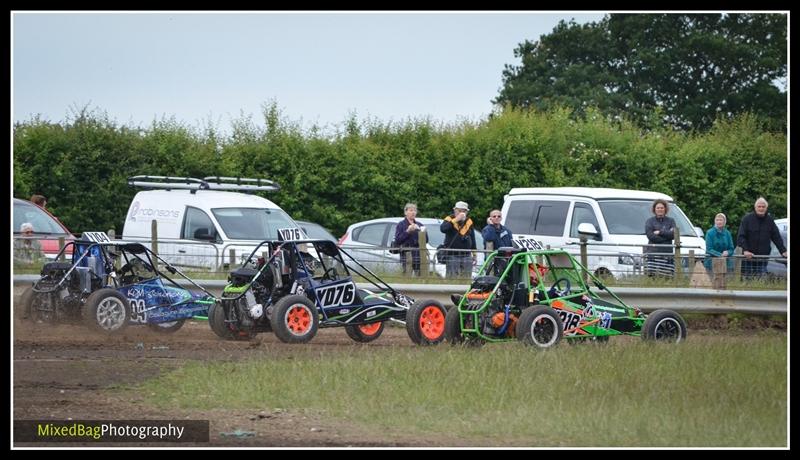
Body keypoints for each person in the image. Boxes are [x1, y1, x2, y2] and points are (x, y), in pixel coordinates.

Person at [737, 197, 787, 279]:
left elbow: (776, 237)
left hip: (763, 257)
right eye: (759, 206)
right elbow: (741, 236)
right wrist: (745, 250)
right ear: (755, 207)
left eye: (763, 207)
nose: (761, 208)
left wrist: (783, 251)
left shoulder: (770, 221)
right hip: (748, 257)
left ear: (766, 208)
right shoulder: (747, 219)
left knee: (761, 280)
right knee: (747, 280)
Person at [440, 201, 477, 278]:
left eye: (464, 211)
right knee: (452, 277)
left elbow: (473, 238)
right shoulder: (449, 219)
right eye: (459, 211)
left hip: (466, 254)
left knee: (466, 277)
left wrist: (474, 254)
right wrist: (456, 220)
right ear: (455, 210)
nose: (462, 213)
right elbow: (443, 229)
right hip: (453, 254)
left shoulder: (469, 221)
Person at [644, 199, 676, 277]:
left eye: (662, 208)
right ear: (654, 209)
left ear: (665, 209)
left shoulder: (671, 221)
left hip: (667, 253)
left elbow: (674, 235)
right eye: (658, 208)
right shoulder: (649, 221)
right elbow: (651, 236)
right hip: (653, 253)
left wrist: (660, 232)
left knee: (668, 276)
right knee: (652, 276)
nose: (660, 209)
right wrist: (667, 237)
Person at [393, 203, 425, 276]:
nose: (413, 212)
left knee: (419, 275)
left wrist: (420, 231)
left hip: (418, 254)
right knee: (407, 275)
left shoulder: (420, 225)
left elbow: (426, 240)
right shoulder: (401, 224)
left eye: (414, 210)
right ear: (405, 212)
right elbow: (398, 240)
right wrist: (408, 231)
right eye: (411, 210)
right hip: (406, 253)